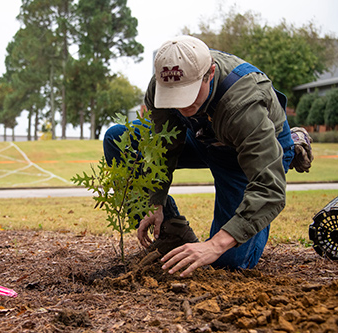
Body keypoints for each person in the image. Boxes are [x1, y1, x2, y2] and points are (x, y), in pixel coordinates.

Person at [103, 35, 313, 277]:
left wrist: (215, 245)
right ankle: (171, 233)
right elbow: (163, 147)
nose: (181, 105)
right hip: (202, 136)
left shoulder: (243, 104)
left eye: (188, 93)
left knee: (228, 262)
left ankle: (294, 142)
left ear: (210, 73)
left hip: (244, 154)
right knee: (118, 139)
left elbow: (269, 189)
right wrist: (154, 200)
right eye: (173, 96)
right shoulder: (161, 85)